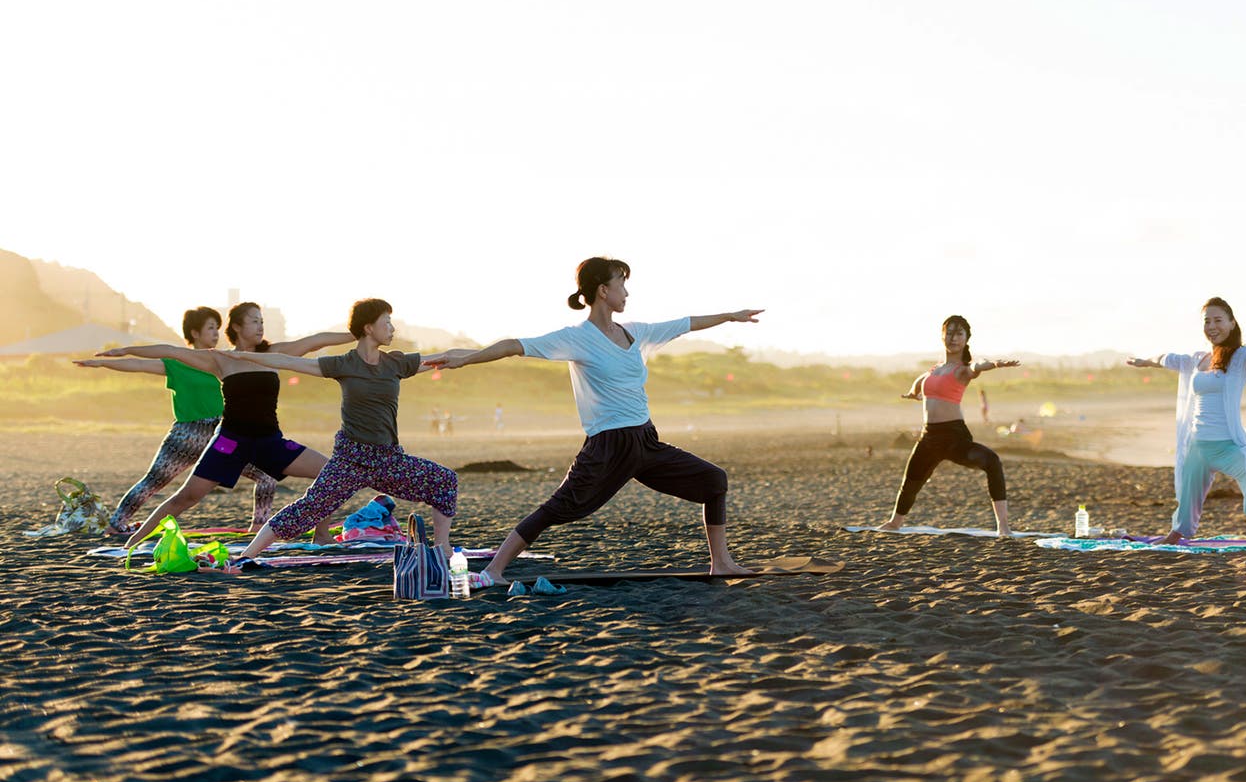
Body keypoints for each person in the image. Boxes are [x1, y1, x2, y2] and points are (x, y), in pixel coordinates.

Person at [425, 257, 761, 586]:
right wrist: (467, 358)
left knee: (714, 481)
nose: (626, 293)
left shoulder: (636, 332)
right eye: (622, 284)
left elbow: (686, 322)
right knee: (559, 508)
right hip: (607, 446)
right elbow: (515, 345)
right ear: (603, 290)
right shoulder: (577, 338)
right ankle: (493, 571)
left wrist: (731, 316)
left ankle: (721, 563)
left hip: (646, 442)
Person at [97, 302, 353, 548]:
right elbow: (171, 351)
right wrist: (127, 350)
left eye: (262, 321)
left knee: (329, 473)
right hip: (230, 442)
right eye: (254, 321)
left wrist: (357, 332)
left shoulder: (274, 353)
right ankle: (133, 542)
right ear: (237, 327)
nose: (261, 326)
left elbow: (316, 340)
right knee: (187, 497)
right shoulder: (221, 360)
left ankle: (321, 535)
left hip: (269, 442)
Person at [229, 299, 458, 565]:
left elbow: (442, 359)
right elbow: (288, 362)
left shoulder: (395, 363)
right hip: (350, 459)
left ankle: (442, 548)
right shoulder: (344, 364)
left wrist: (476, 356)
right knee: (308, 508)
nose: (392, 328)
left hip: (388, 459)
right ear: (369, 328)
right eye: (387, 321)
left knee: (444, 481)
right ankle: (246, 557)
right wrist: (243, 355)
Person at [73, 306, 278, 534]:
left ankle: (258, 525)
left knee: (266, 477)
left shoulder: (223, 361)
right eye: (210, 328)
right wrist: (104, 362)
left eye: (217, 328)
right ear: (194, 333)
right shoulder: (178, 363)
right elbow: (139, 365)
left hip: (223, 435)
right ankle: (115, 525)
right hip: (187, 436)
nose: (216, 333)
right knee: (153, 482)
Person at [1127, 297, 1246, 547]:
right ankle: (1175, 535)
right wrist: (1144, 361)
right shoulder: (1196, 360)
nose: (1212, 326)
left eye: (1218, 320)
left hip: (1227, 446)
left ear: (1232, 323)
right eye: (1207, 321)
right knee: (1187, 497)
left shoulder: (1240, 358)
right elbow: (1166, 358)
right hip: (1198, 446)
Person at [878, 315, 1020, 536]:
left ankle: (1003, 527)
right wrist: (913, 393)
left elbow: (977, 365)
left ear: (965, 339)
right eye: (950, 332)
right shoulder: (935, 369)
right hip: (929, 437)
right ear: (942, 335)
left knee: (992, 461)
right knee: (911, 481)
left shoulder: (963, 369)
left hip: (954, 437)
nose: (953, 338)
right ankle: (895, 523)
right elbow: (921, 381)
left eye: (959, 333)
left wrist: (995, 364)